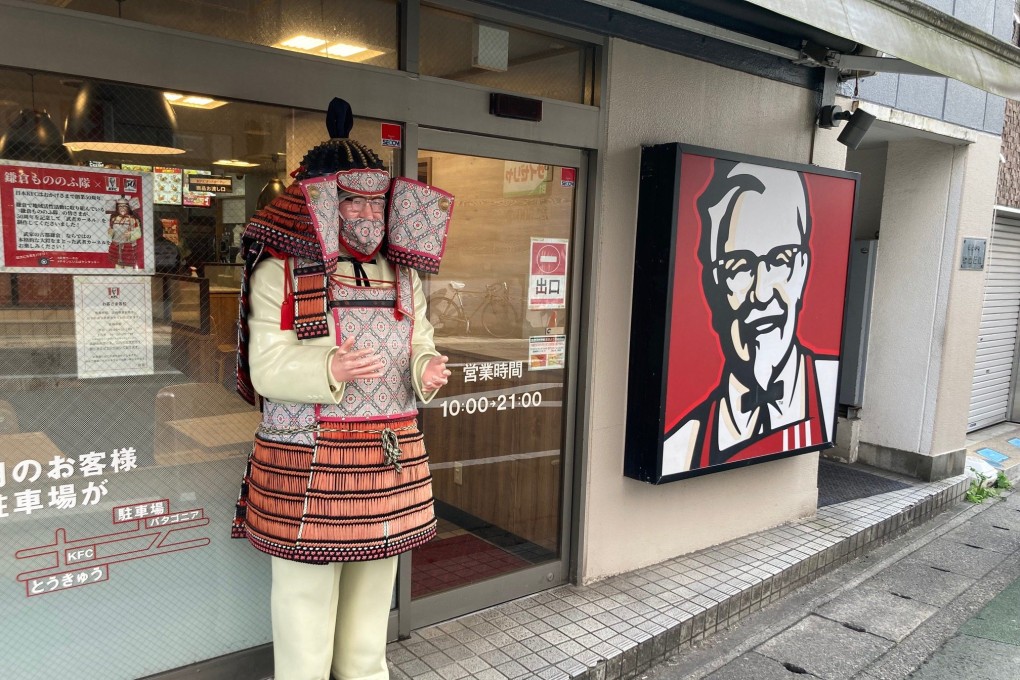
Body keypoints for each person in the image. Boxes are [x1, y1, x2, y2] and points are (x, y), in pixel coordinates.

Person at [231, 98, 453, 680]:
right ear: (317, 202)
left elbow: (419, 339)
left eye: (373, 201)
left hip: (388, 457)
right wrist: (331, 366)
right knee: (304, 603)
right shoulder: (282, 268)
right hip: (308, 458)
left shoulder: (404, 274)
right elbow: (265, 366)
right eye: (349, 199)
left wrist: (424, 368)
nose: (363, 212)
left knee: (370, 604)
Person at [663, 161, 838, 474]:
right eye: (739, 265)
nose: (762, 292)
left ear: (803, 270)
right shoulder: (680, 446)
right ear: (713, 284)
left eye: (781, 259)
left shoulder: (828, 390)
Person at [107, 196, 142, 269]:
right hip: (116, 247)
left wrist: (131, 234)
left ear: (128, 208)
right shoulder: (114, 219)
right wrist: (111, 233)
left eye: (124, 206)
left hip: (128, 247)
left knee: (128, 268)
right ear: (117, 208)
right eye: (120, 206)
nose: (122, 208)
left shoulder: (133, 219)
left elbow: (138, 233)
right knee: (117, 267)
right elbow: (111, 234)